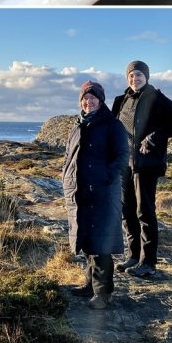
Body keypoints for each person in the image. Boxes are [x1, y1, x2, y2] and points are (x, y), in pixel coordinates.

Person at [111, 60, 172, 279]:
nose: (135, 79)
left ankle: (148, 262)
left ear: (147, 77)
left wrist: (154, 137)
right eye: (131, 76)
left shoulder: (156, 97)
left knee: (145, 212)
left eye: (139, 75)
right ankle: (134, 256)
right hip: (124, 164)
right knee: (127, 211)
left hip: (145, 164)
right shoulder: (121, 100)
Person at [62, 80, 129, 310]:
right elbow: (69, 157)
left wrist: (105, 177)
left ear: (101, 100)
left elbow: (122, 156)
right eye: (85, 99)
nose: (88, 102)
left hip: (102, 191)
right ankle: (90, 285)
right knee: (88, 240)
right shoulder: (78, 125)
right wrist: (67, 178)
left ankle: (103, 293)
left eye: (93, 98)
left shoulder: (112, 125)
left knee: (101, 243)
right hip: (80, 191)